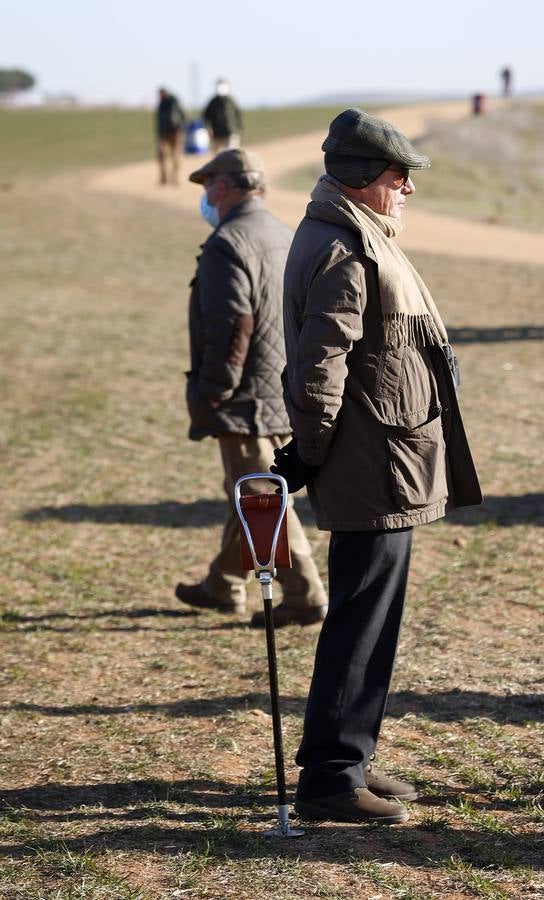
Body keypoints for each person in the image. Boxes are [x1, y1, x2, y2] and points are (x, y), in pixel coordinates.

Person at [271, 108, 482, 823]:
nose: (408, 189)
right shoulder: (342, 246)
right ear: (364, 179)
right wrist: (309, 450)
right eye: (399, 176)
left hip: (381, 460)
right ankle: (331, 779)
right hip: (371, 465)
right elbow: (318, 368)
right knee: (360, 620)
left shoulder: (352, 231)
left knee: (372, 617)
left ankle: (350, 758)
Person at [175, 148, 327, 629]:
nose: (205, 197)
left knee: (262, 501)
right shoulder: (286, 234)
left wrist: (215, 389)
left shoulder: (228, 243)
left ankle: (304, 595)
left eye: (206, 186)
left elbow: (231, 324)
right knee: (252, 491)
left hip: (246, 399)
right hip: (286, 387)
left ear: (223, 187)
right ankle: (224, 585)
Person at [203, 79, 243, 154]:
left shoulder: (231, 101)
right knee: (216, 155)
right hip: (217, 133)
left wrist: (240, 128)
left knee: (232, 154)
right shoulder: (213, 102)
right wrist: (208, 128)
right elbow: (206, 116)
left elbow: (238, 115)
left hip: (230, 131)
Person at [156, 87, 186, 185]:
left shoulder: (174, 101)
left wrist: (179, 127)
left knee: (175, 155)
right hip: (163, 133)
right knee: (162, 154)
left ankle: (175, 177)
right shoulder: (161, 103)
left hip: (175, 132)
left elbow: (183, 115)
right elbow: (159, 120)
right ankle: (163, 178)